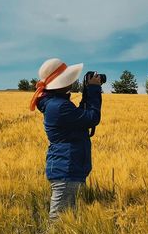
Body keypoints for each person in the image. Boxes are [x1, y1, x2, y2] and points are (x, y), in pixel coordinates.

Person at [29, 58, 102, 221]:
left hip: (68, 167)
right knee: (58, 221)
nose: (72, 81)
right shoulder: (59, 106)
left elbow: (81, 118)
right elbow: (91, 118)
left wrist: (87, 93)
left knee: (67, 219)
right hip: (66, 169)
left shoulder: (57, 103)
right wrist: (94, 90)